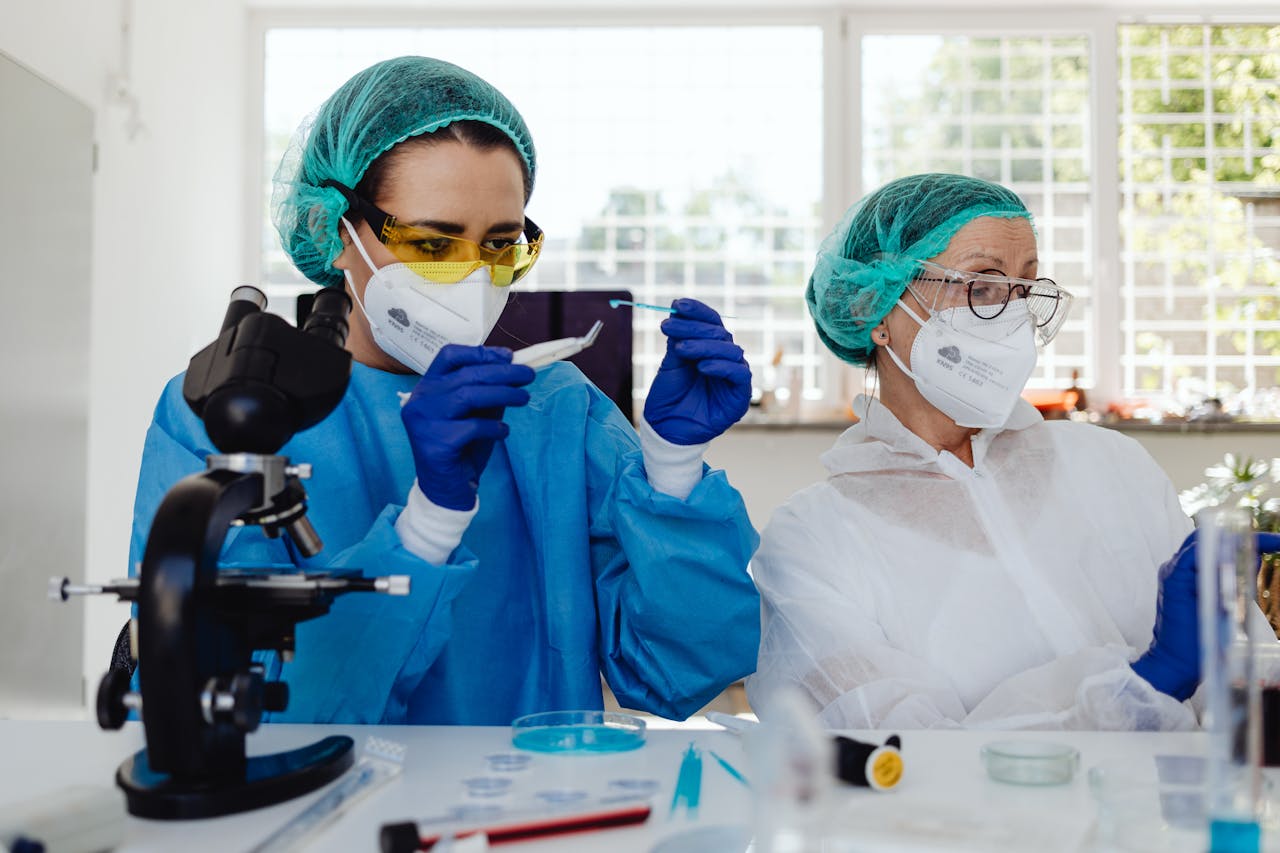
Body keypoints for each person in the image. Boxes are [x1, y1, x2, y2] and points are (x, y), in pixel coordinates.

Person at [127, 56, 760, 725]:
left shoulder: (554, 408)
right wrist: (427, 521)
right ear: (336, 230)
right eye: (434, 244)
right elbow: (230, 711)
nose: (472, 279)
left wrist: (672, 468)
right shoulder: (229, 411)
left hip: (529, 810)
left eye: (500, 245)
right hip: (322, 817)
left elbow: (674, 673)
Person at [746, 172, 1280, 730]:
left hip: (1179, 815)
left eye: (1024, 289)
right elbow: (906, 760)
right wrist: (1146, 685)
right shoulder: (814, 541)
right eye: (982, 286)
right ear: (877, 311)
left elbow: (1255, 697)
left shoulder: (1113, 467)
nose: (1013, 317)